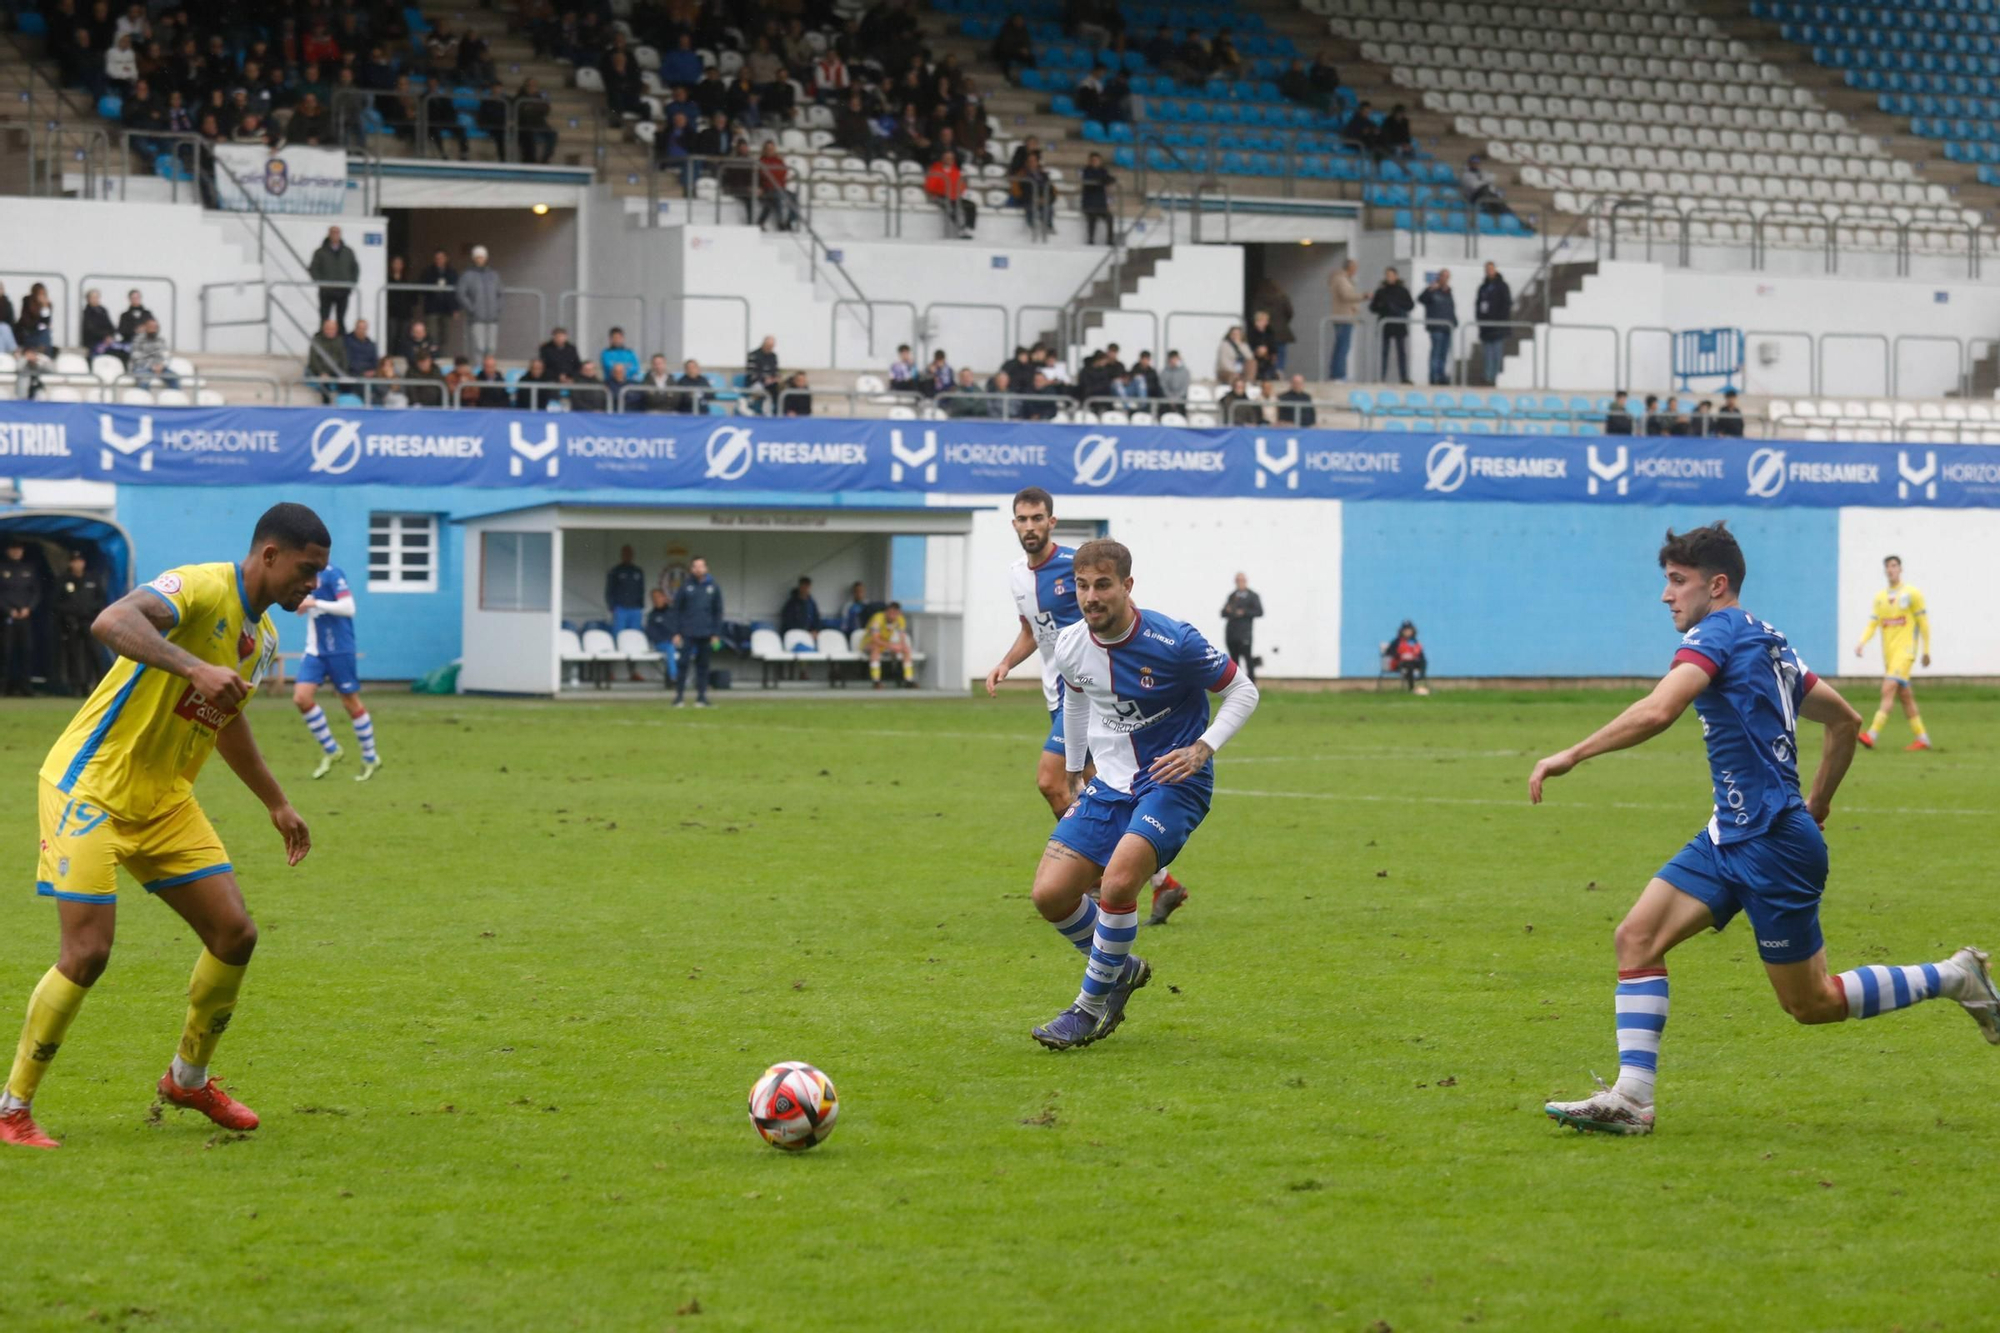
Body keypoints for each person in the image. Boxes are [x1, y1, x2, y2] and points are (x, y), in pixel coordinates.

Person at [1531, 522, 1997, 1138]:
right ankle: (1632, 1100)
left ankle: (1956, 975)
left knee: (1813, 1004)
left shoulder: (1717, 632)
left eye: (1677, 581)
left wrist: (1572, 754)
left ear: (1716, 585)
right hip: (1733, 833)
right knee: (1637, 938)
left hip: (1773, 843)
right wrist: (1820, 802)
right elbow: (1846, 721)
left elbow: (1659, 708)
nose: (1666, 595)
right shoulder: (1771, 641)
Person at [0, 503, 322, 1151]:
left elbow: (225, 717)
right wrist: (192, 664)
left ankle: (188, 1077)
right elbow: (110, 619)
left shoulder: (262, 641)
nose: (311, 584)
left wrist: (275, 801)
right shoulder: (200, 586)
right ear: (268, 555)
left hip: (164, 800)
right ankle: (12, 1107)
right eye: (306, 569)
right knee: (88, 951)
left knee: (235, 933)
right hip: (88, 787)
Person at [1026, 538, 1261, 1050]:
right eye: (1084, 586)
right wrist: (1072, 770)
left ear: (1127, 586)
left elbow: (1243, 690)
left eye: (1103, 585)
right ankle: (1120, 968)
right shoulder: (1070, 644)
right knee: (1050, 895)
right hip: (1109, 784)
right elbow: (1078, 700)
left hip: (1173, 782)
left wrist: (1203, 747)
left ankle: (1088, 1010)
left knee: (1117, 884)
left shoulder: (1173, 641)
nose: (1092, 597)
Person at [291, 563, 381, 782]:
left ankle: (370, 757)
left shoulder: (333, 573)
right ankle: (331, 749)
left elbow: (349, 607)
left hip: (340, 649)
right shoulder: (303, 574)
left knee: (350, 702)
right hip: (315, 650)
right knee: (301, 698)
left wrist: (314, 602)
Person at [1854, 554, 1932, 751]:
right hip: (1889, 655)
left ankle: (1871, 735)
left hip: (1906, 652)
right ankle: (1922, 738)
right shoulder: (1880, 598)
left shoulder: (1912, 594)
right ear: (1885, 570)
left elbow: (1923, 623)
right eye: (1888, 567)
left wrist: (1926, 650)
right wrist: (1862, 643)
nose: (1891, 569)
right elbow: (1873, 624)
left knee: (1887, 688)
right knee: (1905, 696)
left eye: (1894, 566)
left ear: (1900, 569)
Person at [670, 555, 722, 708]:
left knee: (703, 665)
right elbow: (677, 610)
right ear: (691, 569)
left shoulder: (713, 587)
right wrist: (676, 632)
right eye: (695, 566)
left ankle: (701, 697)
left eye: (701, 566)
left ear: (706, 568)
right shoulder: (685, 586)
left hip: (706, 632)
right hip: (688, 632)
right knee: (683, 663)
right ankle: (679, 697)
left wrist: (715, 633)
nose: (698, 569)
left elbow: (717, 612)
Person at [53, 552, 106, 698]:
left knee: (95, 652)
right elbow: (56, 603)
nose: (78, 564)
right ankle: (77, 686)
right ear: (71, 563)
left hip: (90, 621)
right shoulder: (64, 580)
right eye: (75, 561)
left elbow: (100, 599)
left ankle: (100, 683)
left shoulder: (92, 578)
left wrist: (91, 611)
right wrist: (72, 611)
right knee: (74, 655)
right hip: (72, 622)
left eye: (80, 561)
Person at [0, 541, 43, 697]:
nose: (16, 552)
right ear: (7, 550)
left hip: (25, 617)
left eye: (19, 549)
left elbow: (36, 592)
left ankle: (26, 687)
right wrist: (8, 610)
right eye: (13, 549)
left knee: (26, 651)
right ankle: (3, 687)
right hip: (6, 618)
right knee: (6, 652)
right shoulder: (2, 568)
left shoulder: (29, 569)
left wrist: (29, 608)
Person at [605, 544, 648, 679]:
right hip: (621, 610)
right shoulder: (615, 571)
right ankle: (610, 671)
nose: (627, 555)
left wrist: (640, 606)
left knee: (633, 640)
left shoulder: (638, 571)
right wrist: (613, 607)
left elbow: (642, 590)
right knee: (616, 639)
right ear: (622, 555)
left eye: (630, 553)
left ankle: (632, 672)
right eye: (625, 553)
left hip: (635, 610)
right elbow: (609, 591)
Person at [308, 225, 359, 332]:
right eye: (333, 232)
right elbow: (314, 268)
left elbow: (355, 268)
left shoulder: (348, 252)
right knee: (324, 320)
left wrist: (351, 283)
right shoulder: (320, 252)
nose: (335, 235)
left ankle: (340, 345)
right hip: (326, 291)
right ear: (329, 234)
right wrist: (321, 283)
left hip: (343, 291)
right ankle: (322, 344)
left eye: (337, 232)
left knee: (341, 320)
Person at [456, 245, 503, 362]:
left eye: (482, 257)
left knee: (492, 347)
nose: (480, 260)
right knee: (479, 347)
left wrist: (497, 309)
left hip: (492, 317)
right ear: (474, 258)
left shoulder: (493, 275)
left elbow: (500, 294)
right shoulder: (467, 275)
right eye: (477, 257)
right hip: (476, 318)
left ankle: (488, 372)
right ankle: (478, 371)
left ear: (486, 258)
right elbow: (461, 293)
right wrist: (472, 309)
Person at [1371, 267, 1414, 384]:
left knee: (1401, 353)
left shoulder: (1403, 290)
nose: (1389, 277)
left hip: (1399, 324)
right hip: (1385, 325)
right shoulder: (1381, 291)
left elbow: (1410, 305)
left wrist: (1397, 305)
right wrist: (1383, 305)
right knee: (1384, 352)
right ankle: (1381, 377)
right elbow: (1373, 307)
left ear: (1396, 276)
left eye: (1391, 275)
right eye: (1387, 275)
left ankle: (1404, 378)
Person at [1220, 572, 1263, 684]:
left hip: (1245, 634)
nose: (1239, 582)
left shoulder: (1253, 596)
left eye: (1241, 580)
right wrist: (1228, 611)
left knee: (1248, 659)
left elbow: (1259, 612)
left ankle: (1252, 684)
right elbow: (1223, 613)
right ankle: (1237, 684)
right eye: (1237, 580)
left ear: (1245, 581)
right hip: (1231, 634)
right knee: (1234, 661)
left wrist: (1244, 612)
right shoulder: (1232, 596)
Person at [864, 601, 917, 689]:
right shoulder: (878, 618)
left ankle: (909, 680)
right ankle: (876, 681)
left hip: (886, 644)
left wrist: (900, 645)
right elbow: (875, 639)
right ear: (886, 611)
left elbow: (902, 637)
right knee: (875, 648)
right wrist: (891, 646)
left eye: (895, 612)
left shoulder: (900, 619)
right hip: (869, 643)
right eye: (891, 612)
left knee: (906, 649)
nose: (893, 615)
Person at [1417, 268, 1456, 386]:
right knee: (1436, 353)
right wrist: (1429, 290)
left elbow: (1450, 309)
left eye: (1447, 276)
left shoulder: (1448, 292)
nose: (1445, 279)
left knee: (1443, 354)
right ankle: (1434, 377)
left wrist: (1454, 322)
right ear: (1439, 277)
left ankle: (1441, 376)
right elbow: (1420, 299)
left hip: (1447, 328)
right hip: (1436, 328)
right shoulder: (1432, 290)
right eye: (1443, 276)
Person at [1475, 262, 1512, 385]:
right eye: (1487, 269)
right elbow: (1478, 305)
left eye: (1491, 269)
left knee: (1496, 353)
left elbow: (1506, 305)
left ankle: (1496, 378)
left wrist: (1499, 321)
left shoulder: (1502, 286)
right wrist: (1480, 321)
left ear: (1495, 270)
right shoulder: (1483, 287)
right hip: (1486, 328)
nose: (1489, 271)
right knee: (1487, 354)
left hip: (1498, 327)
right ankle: (1487, 377)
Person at [418, 249, 461, 355]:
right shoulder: (428, 272)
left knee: (444, 335)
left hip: (446, 308)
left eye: (441, 258)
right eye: (437, 258)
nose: (439, 260)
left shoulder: (452, 273)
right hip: (432, 308)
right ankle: (433, 356)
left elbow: (456, 292)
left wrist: (455, 308)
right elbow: (422, 289)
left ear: (446, 259)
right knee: (432, 335)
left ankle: (441, 355)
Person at [1250, 278, 1296, 372]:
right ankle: (1279, 370)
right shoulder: (1282, 297)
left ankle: (1268, 370)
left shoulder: (1259, 299)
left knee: (1267, 351)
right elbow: (1290, 312)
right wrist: (1283, 322)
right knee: (1281, 352)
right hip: (1281, 330)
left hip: (1266, 330)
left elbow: (1254, 313)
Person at [307, 317, 349, 403]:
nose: (330, 331)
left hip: (336, 372)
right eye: (328, 328)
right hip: (321, 372)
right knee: (325, 384)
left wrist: (343, 373)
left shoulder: (340, 341)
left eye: (333, 329)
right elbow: (313, 360)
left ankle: (345, 407)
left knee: (347, 384)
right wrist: (321, 372)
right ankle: (326, 407)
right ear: (323, 329)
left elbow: (344, 359)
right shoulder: (317, 340)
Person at [127, 318, 176, 389]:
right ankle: (144, 399)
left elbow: (167, 355)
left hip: (160, 368)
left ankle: (174, 399)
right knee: (144, 380)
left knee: (174, 378)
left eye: (155, 327)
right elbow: (136, 358)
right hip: (142, 368)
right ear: (145, 327)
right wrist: (152, 366)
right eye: (151, 327)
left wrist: (162, 365)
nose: (153, 329)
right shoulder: (137, 340)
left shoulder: (161, 340)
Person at [1081, 152, 1116, 245]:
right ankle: (1091, 239)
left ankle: (1110, 239)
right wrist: (1102, 181)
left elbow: (1110, 179)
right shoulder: (1086, 171)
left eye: (1097, 160)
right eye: (1093, 160)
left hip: (1101, 204)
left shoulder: (1103, 171)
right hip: (1090, 203)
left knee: (1110, 218)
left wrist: (1102, 180)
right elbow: (1093, 181)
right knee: (1092, 218)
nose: (1095, 162)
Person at [1390, 621, 1428, 694]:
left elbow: (1420, 654)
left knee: (1423, 661)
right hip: (1401, 663)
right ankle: (1411, 687)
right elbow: (1390, 652)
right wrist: (1399, 655)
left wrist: (1418, 657)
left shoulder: (1414, 641)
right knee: (1409, 666)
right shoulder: (1397, 641)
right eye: (1405, 630)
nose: (1407, 632)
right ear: (1401, 631)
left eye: (1409, 630)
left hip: (1413, 661)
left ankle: (1421, 677)